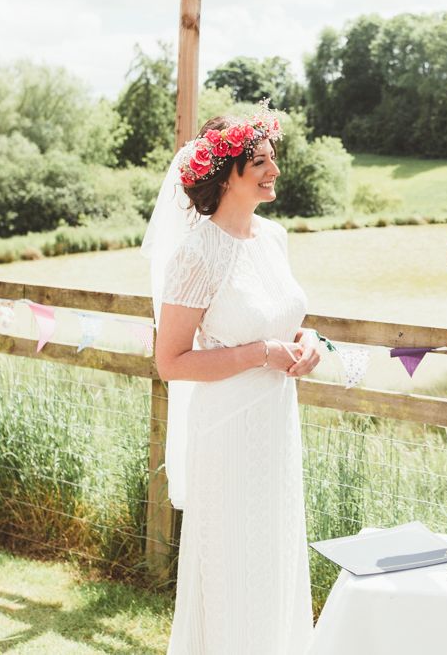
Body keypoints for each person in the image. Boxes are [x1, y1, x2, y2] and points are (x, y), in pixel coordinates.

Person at [141, 104, 319, 654]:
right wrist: (261, 353)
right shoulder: (197, 254)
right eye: (260, 162)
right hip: (228, 432)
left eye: (273, 159)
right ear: (226, 173)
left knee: (275, 553)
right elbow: (170, 361)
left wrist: (306, 342)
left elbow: (284, 316)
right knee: (233, 563)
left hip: (276, 425)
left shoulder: (273, 237)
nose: (274, 171)